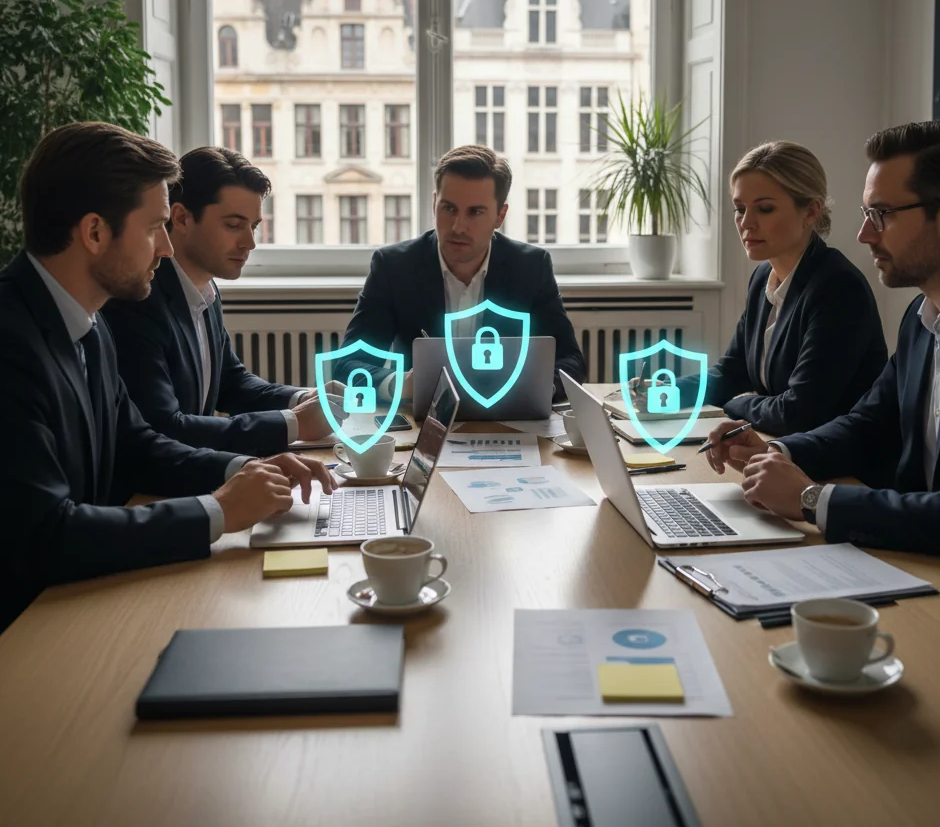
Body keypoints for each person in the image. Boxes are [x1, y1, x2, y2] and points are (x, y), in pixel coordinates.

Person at [0, 122, 334, 632]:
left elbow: (137, 445)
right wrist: (216, 512)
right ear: (94, 233)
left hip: (78, 592)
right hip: (28, 626)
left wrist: (244, 471)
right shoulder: (11, 341)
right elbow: (46, 535)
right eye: (155, 227)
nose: (165, 248)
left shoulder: (87, 321)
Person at [704, 121, 940, 583]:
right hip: (932, 561)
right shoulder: (923, 315)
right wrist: (776, 449)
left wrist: (812, 500)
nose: (863, 235)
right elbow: (868, 425)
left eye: (882, 215)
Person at [634, 141, 887, 435]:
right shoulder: (763, 277)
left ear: (810, 211)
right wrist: (661, 393)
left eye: (765, 209)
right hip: (773, 444)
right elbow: (731, 372)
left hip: (831, 464)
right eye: (740, 209)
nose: (746, 223)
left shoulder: (838, 288)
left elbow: (798, 412)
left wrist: (740, 403)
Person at [103, 147, 343, 454]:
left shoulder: (204, 287)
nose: (250, 243)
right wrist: (293, 423)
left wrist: (307, 397)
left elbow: (230, 383)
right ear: (181, 217)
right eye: (233, 225)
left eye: (253, 227)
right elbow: (164, 427)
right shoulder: (139, 299)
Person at [334, 145, 585, 400]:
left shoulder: (531, 267)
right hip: (424, 423)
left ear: (500, 216)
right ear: (434, 204)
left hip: (509, 421)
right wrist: (402, 385)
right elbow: (347, 365)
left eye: (475, 212)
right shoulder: (394, 267)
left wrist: (538, 388)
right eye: (449, 208)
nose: (458, 226)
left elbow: (571, 361)